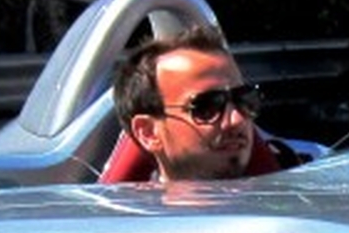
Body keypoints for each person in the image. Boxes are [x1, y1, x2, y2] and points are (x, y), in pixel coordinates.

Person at [112, 24, 288, 182]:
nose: (237, 119)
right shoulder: (130, 218)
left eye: (243, 99)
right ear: (149, 133)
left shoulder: (297, 201)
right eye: (207, 106)